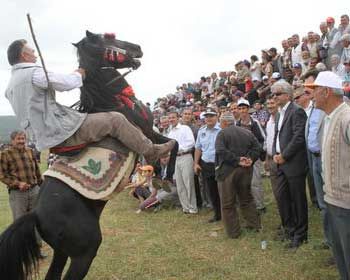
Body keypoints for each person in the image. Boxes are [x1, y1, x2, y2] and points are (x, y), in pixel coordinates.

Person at [5, 39, 175, 163]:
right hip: (61, 131)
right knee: (116, 120)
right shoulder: (34, 73)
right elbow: (66, 84)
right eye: (32, 51)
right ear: (24, 55)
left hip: (43, 138)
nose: (35, 54)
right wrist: (80, 72)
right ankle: (150, 150)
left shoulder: (10, 86)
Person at [307, 71, 350, 280]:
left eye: (314, 90)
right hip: (334, 201)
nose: (311, 95)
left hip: (347, 204)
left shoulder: (346, 117)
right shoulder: (329, 117)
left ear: (326, 92)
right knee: (341, 258)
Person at [271, 80, 308, 249]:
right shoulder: (279, 113)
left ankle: (300, 235)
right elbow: (277, 136)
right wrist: (274, 153)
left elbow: (299, 137)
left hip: (293, 163)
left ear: (287, 94)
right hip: (279, 162)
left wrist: (284, 156)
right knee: (282, 198)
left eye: (277, 94)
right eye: (273, 94)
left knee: (297, 199)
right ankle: (289, 229)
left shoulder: (297, 111)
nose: (274, 97)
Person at [215, 112, 261, 238]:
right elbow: (258, 148)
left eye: (220, 122)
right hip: (245, 170)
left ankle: (233, 232)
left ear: (224, 122)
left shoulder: (222, 133)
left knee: (227, 203)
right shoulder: (247, 132)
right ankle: (254, 225)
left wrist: (237, 160)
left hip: (227, 172)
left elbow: (220, 150)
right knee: (246, 199)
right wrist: (250, 159)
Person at [0, 130, 46, 258]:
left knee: (36, 221)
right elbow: (2, 175)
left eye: (23, 138)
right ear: (12, 140)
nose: (21, 141)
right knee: (20, 223)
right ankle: (21, 253)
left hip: (34, 190)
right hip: (18, 193)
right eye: (18, 139)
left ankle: (36, 251)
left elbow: (36, 170)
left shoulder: (30, 151)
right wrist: (17, 183)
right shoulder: (5, 154)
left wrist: (41, 185)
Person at [194, 107, 221, 223]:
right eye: (207, 116)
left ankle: (228, 213)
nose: (209, 118)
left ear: (217, 116)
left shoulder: (222, 129)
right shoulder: (202, 131)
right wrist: (196, 163)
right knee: (212, 190)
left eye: (211, 116)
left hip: (220, 164)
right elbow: (198, 148)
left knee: (224, 190)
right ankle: (217, 214)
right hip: (206, 164)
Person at [167, 110, 198, 214]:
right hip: (175, 158)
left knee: (188, 183)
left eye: (173, 117)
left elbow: (191, 143)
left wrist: (177, 148)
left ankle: (193, 208)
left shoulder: (185, 128)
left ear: (178, 118)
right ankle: (185, 207)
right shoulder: (170, 132)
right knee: (180, 184)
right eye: (170, 118)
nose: (171, 119)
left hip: (186, 156)